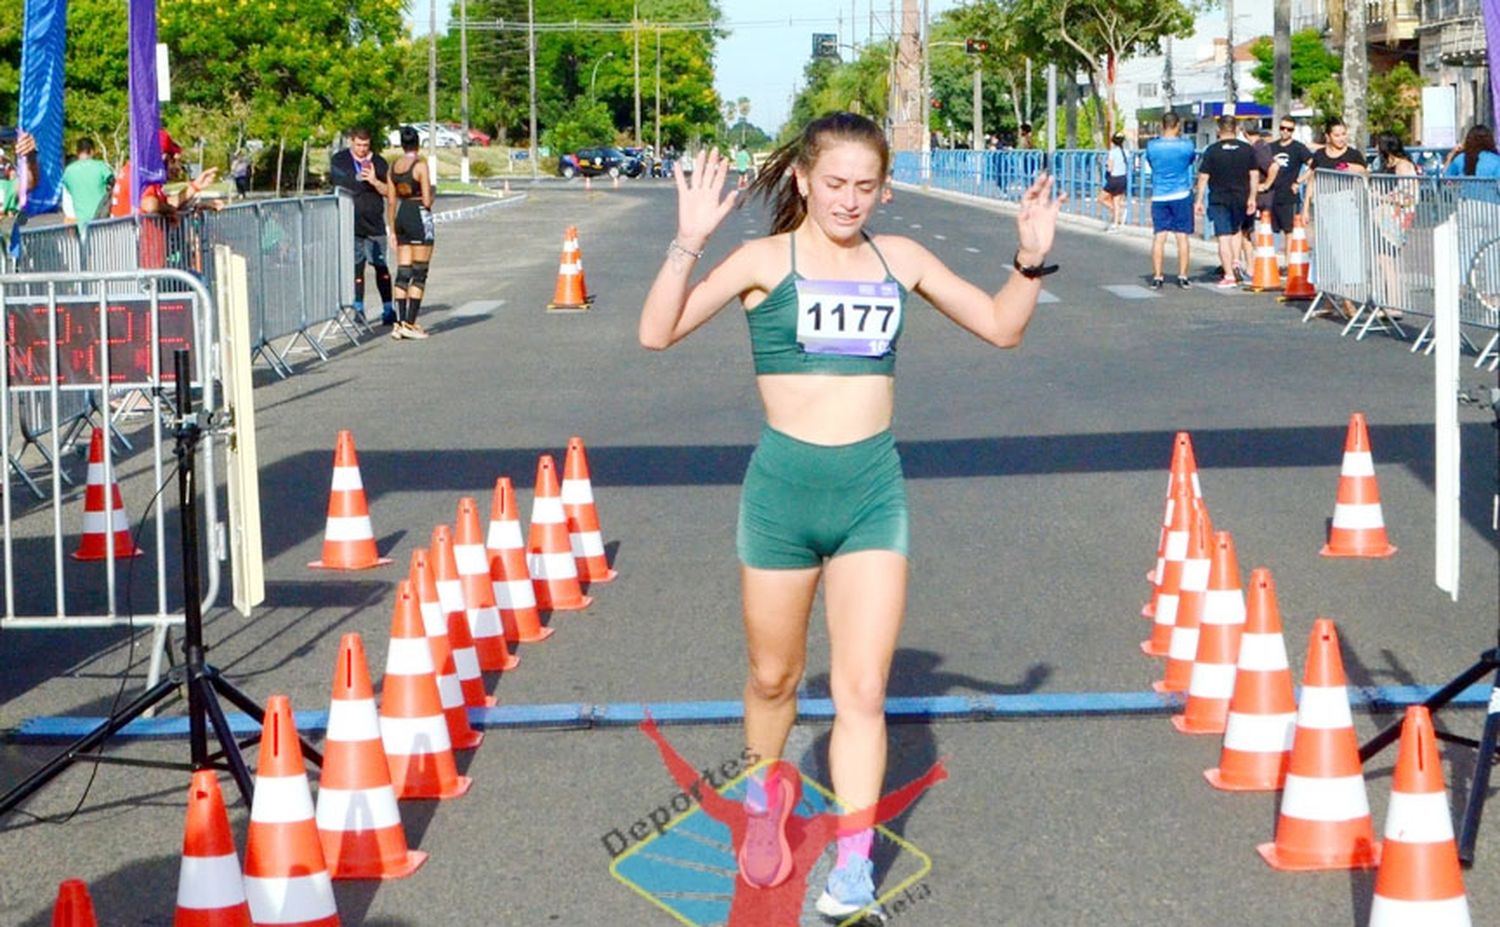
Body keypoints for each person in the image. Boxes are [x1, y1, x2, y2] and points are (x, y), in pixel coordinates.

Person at [638, 111, 1061, 920]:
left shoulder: (898, 259)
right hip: (783, 494)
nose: (849, 200)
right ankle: (766, 807)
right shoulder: (763, 261)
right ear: (802, 178)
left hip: (871, 490)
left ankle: (855, 862)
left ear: (885, 189)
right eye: (834, 183)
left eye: (866, 186)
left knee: (863, 689)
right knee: (775, 677)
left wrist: (1030, 260)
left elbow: (1002, 328)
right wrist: (689, 241)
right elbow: (657, 333)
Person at [330, 127, 395, 325]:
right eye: (358, 145)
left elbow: (388, 192)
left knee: (380, 266)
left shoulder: (379, 163)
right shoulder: (340, 160)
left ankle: (388, 308)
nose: (362, 149)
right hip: (351, 223)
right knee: (357, 267)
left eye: (365, 146)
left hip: (374, 224)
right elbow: (338, 184)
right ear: (351, 142)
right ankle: (358, 308)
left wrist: (374, 181)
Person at [1194, 115, 1260, 288]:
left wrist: (1198, 200)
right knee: (1237, 230)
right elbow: (1254, 175)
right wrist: (1253, 197)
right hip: (1241, 197)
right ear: (1236, 129)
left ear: (1218, 130)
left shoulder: (1212, 150)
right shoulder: (1247, 149)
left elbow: (1203, 177)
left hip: (1219, 198)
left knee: (1223, 236)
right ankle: (1236, 261)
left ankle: (1229, 274)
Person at [386, 126, 434, 340]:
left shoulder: (393, 167)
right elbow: (426, 200)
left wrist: (392, 230)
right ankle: (411, 323)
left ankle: (398, 322)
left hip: (401, 215)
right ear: (418, 143)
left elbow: (390, 200)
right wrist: (432, 193)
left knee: (403, 272)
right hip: (418, 215)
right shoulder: (420, 166)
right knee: (419, 272)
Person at [1144, 112, 1196, 290]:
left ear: (1162, 125)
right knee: (1182, 237)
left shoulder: (1152, 146)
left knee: (1159, 237)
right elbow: (1190, 162)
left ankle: (1158, 276)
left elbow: (1151, 164)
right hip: (1181, 193)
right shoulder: (1187, 145)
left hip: (1159, 194)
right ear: (1178, 125)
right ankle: (1183, 276)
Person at [1372, 133, 1419, 317]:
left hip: (1395, 218)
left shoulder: (1403, 166)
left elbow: (1409, 194)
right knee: (1382, 261)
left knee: (1387, 261)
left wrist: (1383, 197)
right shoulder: (1386, 165)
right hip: (1384, 215)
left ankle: (1394, 305)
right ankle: (1388, 302)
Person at [1256, 117, 1313, 270]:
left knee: (1289, 230)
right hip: (1271, 194)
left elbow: (1313, 165)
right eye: (1282, 128)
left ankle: (1288, 264)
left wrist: (1299, 181)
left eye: (1289, 129)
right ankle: (1270, 262)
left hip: (1288, 194)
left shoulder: (1298, 148)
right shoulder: (1271, 147)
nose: (1285, 132)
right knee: (1271, 229)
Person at [60, 138, 114, 234]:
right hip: (102, 222)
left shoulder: (68, 171)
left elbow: (67, 196)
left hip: (80, 225)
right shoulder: (100, 166)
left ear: (77, 151)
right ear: (92, 151)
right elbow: (112, 182)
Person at [1097, 133, 1128, 231]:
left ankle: (1117, 213)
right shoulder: (1126, 152)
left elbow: (1110, 168)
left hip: (1114, 179)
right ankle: (1116, 223)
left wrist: (1107, 165)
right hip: (1123, 178)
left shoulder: (1112, 152)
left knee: (1101, 198)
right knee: (1116, 201)